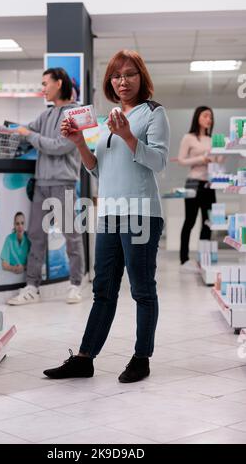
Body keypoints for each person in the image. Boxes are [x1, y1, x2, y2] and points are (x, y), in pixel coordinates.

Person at [43, 49, 170, 383]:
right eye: (116, 75)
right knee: (103, 290)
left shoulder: (154, 113)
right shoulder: (102, 121)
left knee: (142, 289)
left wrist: (129, 135)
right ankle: (85, 358)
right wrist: (79, 143)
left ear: (141, 77)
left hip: (142, 213)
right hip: (109, 214)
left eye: (129, 74)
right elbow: (100, 171)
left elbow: (158, 162)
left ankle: (141, 357)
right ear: (109, 81)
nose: (122, 81)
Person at [7, 68, 84, 305]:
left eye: (45, 83)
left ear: (59, 83)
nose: (43, 88)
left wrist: (29, 135)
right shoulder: (46, 115)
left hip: (63, 183)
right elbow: (27, 130)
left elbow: (60, 146)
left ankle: (75, 285)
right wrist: (10, 130)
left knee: (71, 235)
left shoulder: (76, 114)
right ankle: (32, 287)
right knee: (36, 236)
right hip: (42, 183)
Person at [178, 106, 223, 273]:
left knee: (208, 222)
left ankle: (204, 259)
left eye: (210, 117)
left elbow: (218, 161)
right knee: (189, 221)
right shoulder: (189, 138)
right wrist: (200, 158)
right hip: (193, 182)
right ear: (198, 117)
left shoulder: (212, 139)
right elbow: (182, 160)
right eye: (205, 116)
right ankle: (184, 259)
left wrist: (220, 154)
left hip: (209, 184)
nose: (209, 119)